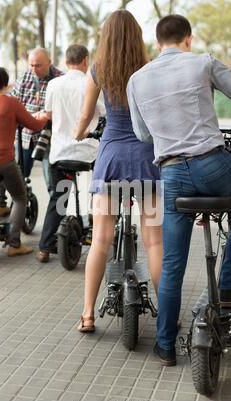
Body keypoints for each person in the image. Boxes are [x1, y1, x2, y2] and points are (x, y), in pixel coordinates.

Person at [127, 14, 231, 366]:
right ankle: (229, 284)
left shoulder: (137, 79)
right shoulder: (203, 63)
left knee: (172, 264)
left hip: (172, 176)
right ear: (188, 38)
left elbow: (143, 135)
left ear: (158, 43)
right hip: (213, 165)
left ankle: (166, 346)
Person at [74, 10, 163, 333]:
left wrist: (78, 133)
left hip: (110, 159)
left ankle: (87, 314)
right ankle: (166, 314)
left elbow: (85, 115)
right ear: (138, 37)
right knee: (154, 242)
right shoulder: (149, 69)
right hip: (146, 158)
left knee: (100, 239)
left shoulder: (98, 70)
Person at [0, 66, 48, 257]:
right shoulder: (11, 102)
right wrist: (44, 117)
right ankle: (14, 243)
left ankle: (1, 206)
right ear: (5, 83)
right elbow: (34, 125)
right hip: (1, 159)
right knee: (21, 198)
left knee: (0, 173)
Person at [36, 44, 104, 263]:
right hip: (88, 153)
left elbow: (48, 114)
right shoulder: (92, 83)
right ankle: (98, 237)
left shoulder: (54, 84)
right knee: (98, 195)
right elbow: (104, 113)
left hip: (60, 153)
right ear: (86, 60)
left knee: (59, 198)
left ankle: (45, 248)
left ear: (66, 62)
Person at [11, 47, 64, 197]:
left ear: (49, 62)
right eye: (31, 65)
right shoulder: (24, 77)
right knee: (19, 179)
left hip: (50, 137)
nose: (34, 69)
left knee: (52, 184)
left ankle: (55, 218)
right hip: (26, 136)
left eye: (38, 65)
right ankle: (22, 211)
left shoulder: (60, 79)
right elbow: (13, 103)